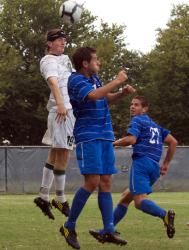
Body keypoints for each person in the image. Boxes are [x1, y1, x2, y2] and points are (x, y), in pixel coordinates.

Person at [59, 46, 135, 249]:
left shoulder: (95, 81)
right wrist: (117, 80)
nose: (98, 62)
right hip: (89, 137)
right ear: (85, 63)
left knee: (106, 184)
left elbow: (104, 97)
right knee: (92, 182)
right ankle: (69, 226)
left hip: (105, 136)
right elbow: (93, 96)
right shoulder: (75, 80)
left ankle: (108, 229)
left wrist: (121, 93)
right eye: (96, 59)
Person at [89, 95, 178, 242]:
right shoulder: (155, 125)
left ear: (145, 109)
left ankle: (165, 215)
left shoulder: (137, 120)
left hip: (142, 164)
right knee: (125, 198)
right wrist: (166, 164)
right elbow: (173, 142)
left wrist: (113, 143)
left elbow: (131, 140)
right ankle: (106, 232)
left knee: (139, 203)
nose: (132, 107)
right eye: (131, 104)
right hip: (154, 167)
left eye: (136, 105)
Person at [34, 29, 75, 220]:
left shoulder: (64, 58)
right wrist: (60, 104)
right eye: (59, 40)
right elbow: (53, 82)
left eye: (64, 40)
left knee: (55, 153)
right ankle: (60, 198)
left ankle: (43, 195)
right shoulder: (48, 60)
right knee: (64, 154)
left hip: (66, 110)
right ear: (49, 43)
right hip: (62, 111)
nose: (63, 42)